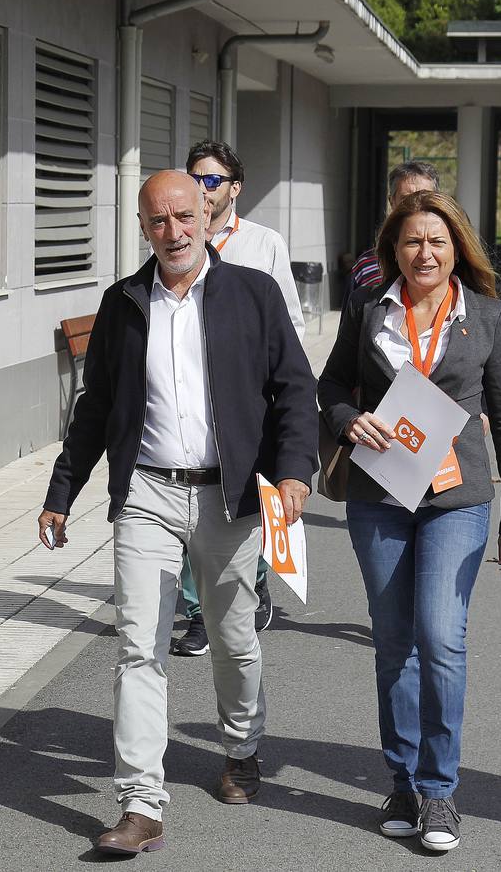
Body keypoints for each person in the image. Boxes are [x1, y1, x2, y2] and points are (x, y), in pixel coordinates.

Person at [38, 171, 318, 855]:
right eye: (158, 221)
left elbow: (293, 390)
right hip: (147, 495)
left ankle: (242, 746)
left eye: (184, 216)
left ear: (208, 215)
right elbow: (95, 408)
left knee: (233, 639)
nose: (173, 232)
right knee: (140, 647)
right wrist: (61, 490)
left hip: (229, 496)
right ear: (143, 228)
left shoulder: (251, 294)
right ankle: (140, 803)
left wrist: (291, 473)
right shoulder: (123, 303)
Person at [318, 190, 501, 853]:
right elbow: (328, 386)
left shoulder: (488, 315)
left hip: (456, 499)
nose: (424, 253)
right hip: (380, 495)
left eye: (436, 241)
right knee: (392, 645)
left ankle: (439, 790)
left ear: (456, 248)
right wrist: (346, 420)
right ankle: (402, 782)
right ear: (394, 249)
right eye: (412, 241)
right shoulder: (367, 308)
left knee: (439, 638)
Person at [171, 140, 306, 657]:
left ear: (235, 189)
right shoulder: (176, 236)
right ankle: (199, 613)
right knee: (189, 509)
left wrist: (289, 396)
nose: (203, 190)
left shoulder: (263, 243)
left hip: (250, 403)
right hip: (190, 404)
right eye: (195, 178)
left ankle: (256, 579)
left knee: (250, 506)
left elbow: (288, 324)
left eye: (212, 181)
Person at [341, 161, 440, 315]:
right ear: (391, 202)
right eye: (406, 200)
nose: (416, 206)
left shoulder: (450, 263)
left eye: (424, 198)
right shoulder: (365, 267)